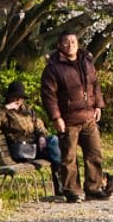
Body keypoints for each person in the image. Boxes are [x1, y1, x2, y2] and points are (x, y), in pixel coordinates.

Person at [41, 31, 108, 202]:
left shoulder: (87, 61)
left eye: (73, 41)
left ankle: (94, 187)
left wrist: (98, 105)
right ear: (60, 45)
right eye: (66, 42)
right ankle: (72, 190)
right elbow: (49, 95)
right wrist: (56, 117)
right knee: (68, 157)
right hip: (68, 119)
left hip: (89, 116)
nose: (70, 45)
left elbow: (95, 85)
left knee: (94, 153)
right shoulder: (53, 68)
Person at [0, 80, 62, 195]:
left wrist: (42, 136)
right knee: (55, 154)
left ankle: (60, 185)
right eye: (14, 97)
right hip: (20, 149)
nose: (17, 100)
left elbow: (39, 126)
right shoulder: (5, 113)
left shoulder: (28, 112)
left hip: (34, 147)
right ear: (9, 98)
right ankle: (60, 186)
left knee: (54, 142)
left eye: (20, 98)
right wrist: (5, 108)